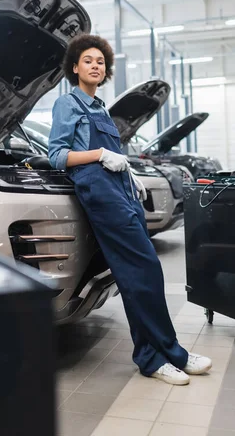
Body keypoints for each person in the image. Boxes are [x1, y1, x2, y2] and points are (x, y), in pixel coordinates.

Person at [48, 34, 212, 386]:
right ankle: (161, 356)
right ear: (75, 67)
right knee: (141, 271)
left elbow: (112, 153)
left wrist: (128, 170)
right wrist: (100, 156)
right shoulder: (68, 105)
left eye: (101, 62)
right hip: (100, 193)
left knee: (145, 273)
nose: (95, 65)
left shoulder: (100, 107)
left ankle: (164, 353)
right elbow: (57, 155)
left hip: (121, 190)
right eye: (88, 60)